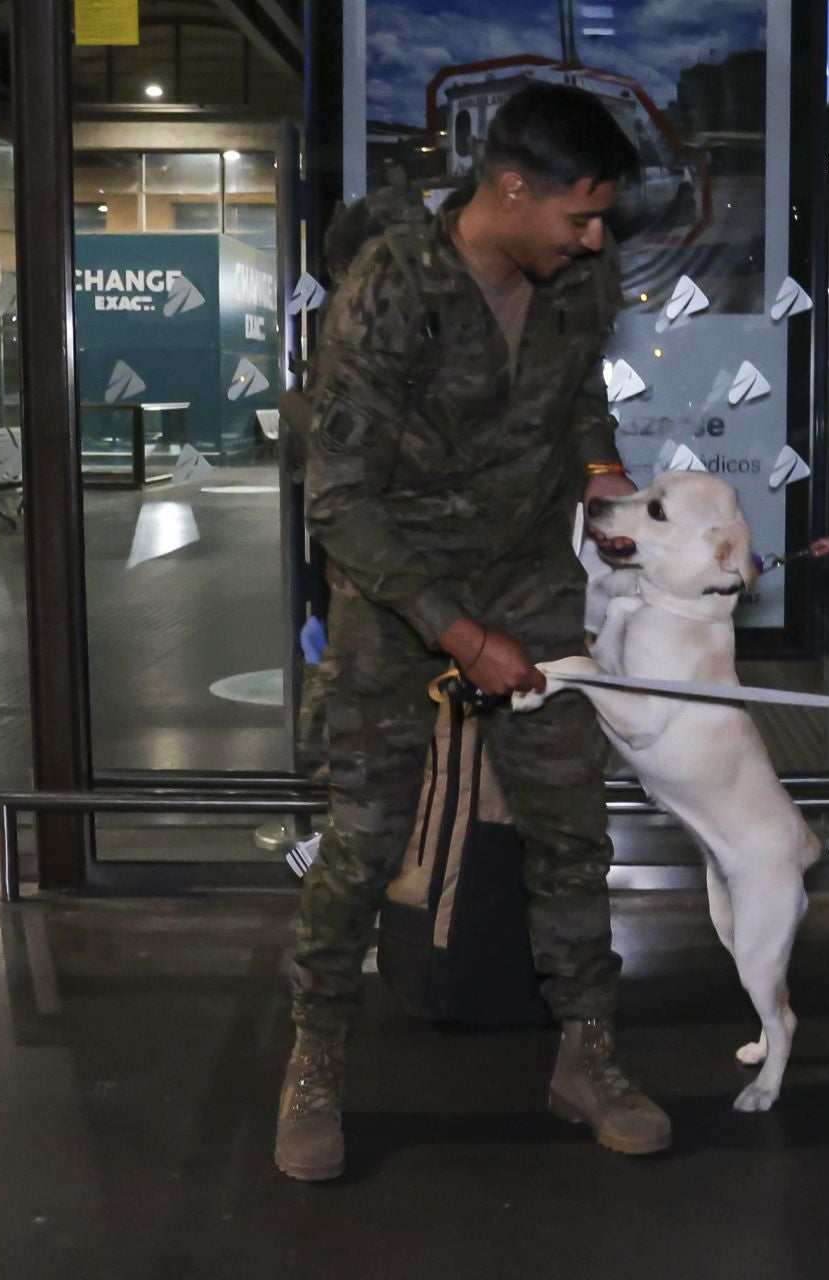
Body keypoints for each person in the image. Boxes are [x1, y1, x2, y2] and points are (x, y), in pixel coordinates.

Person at [276, 84, 669, 1182]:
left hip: (530, 574)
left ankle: (587, 1053)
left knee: (569, 820)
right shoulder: (393, 284)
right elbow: (339, 496)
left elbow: (576, 388)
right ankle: (315, 1056)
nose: (597, 240)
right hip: (397, 585)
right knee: (359, 836)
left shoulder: (577, 275)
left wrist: (599, 468)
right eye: (580, 217)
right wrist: (454, 630)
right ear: (510, 189)